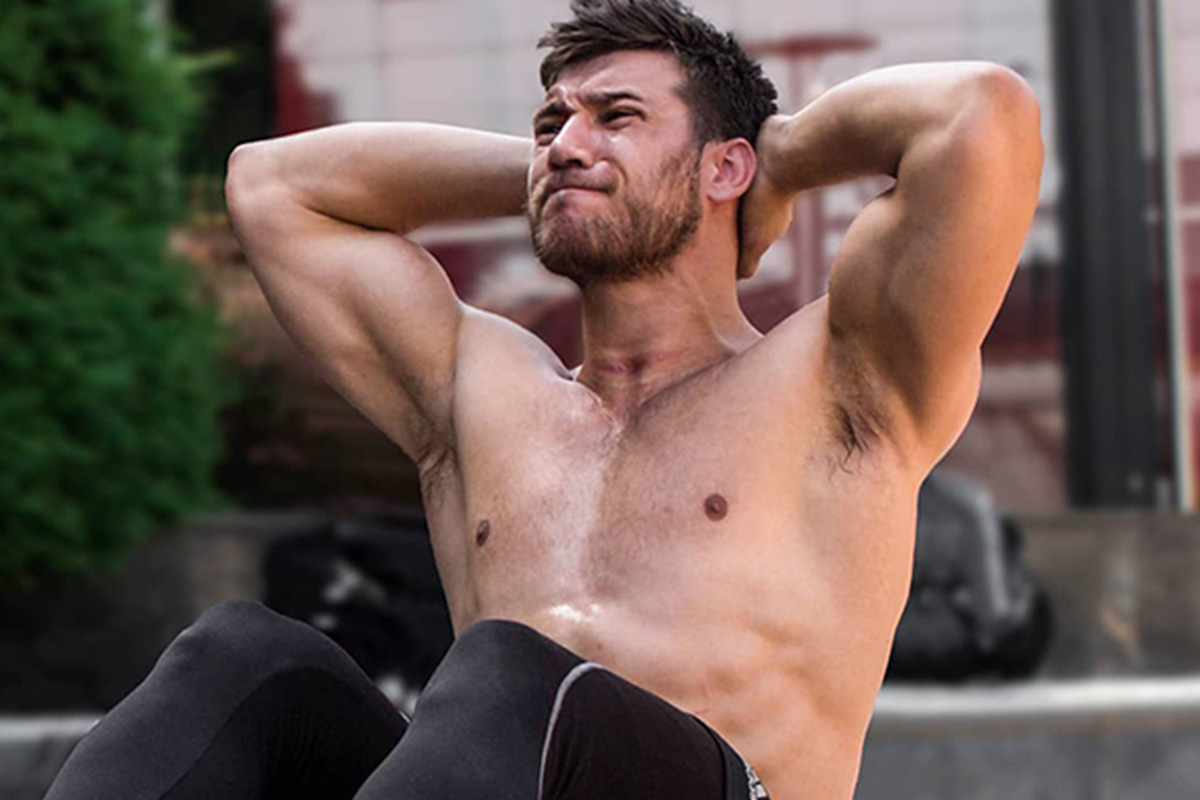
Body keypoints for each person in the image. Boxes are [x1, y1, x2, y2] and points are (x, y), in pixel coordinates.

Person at [44, 1, 1043, 799]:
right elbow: (270, 187)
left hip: (727, 786)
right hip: (498, 764)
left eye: (617, 116)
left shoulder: (838, 380)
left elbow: (980, 116)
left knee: (509, 676)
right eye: (550, 124)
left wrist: (777, 161)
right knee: (241, 656)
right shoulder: (478, 394)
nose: (567, 143)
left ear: (723, 165)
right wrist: (564, 172)